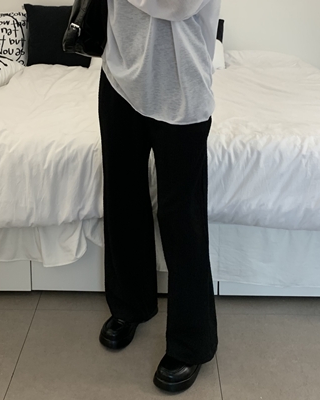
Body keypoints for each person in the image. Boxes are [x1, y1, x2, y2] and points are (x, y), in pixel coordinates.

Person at [98, 0, 221, 393]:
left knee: (182, 217)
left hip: (181, 84)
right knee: (123, 198)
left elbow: (179, 4)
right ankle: (130, 304)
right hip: (119, 74)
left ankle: (191, 342)